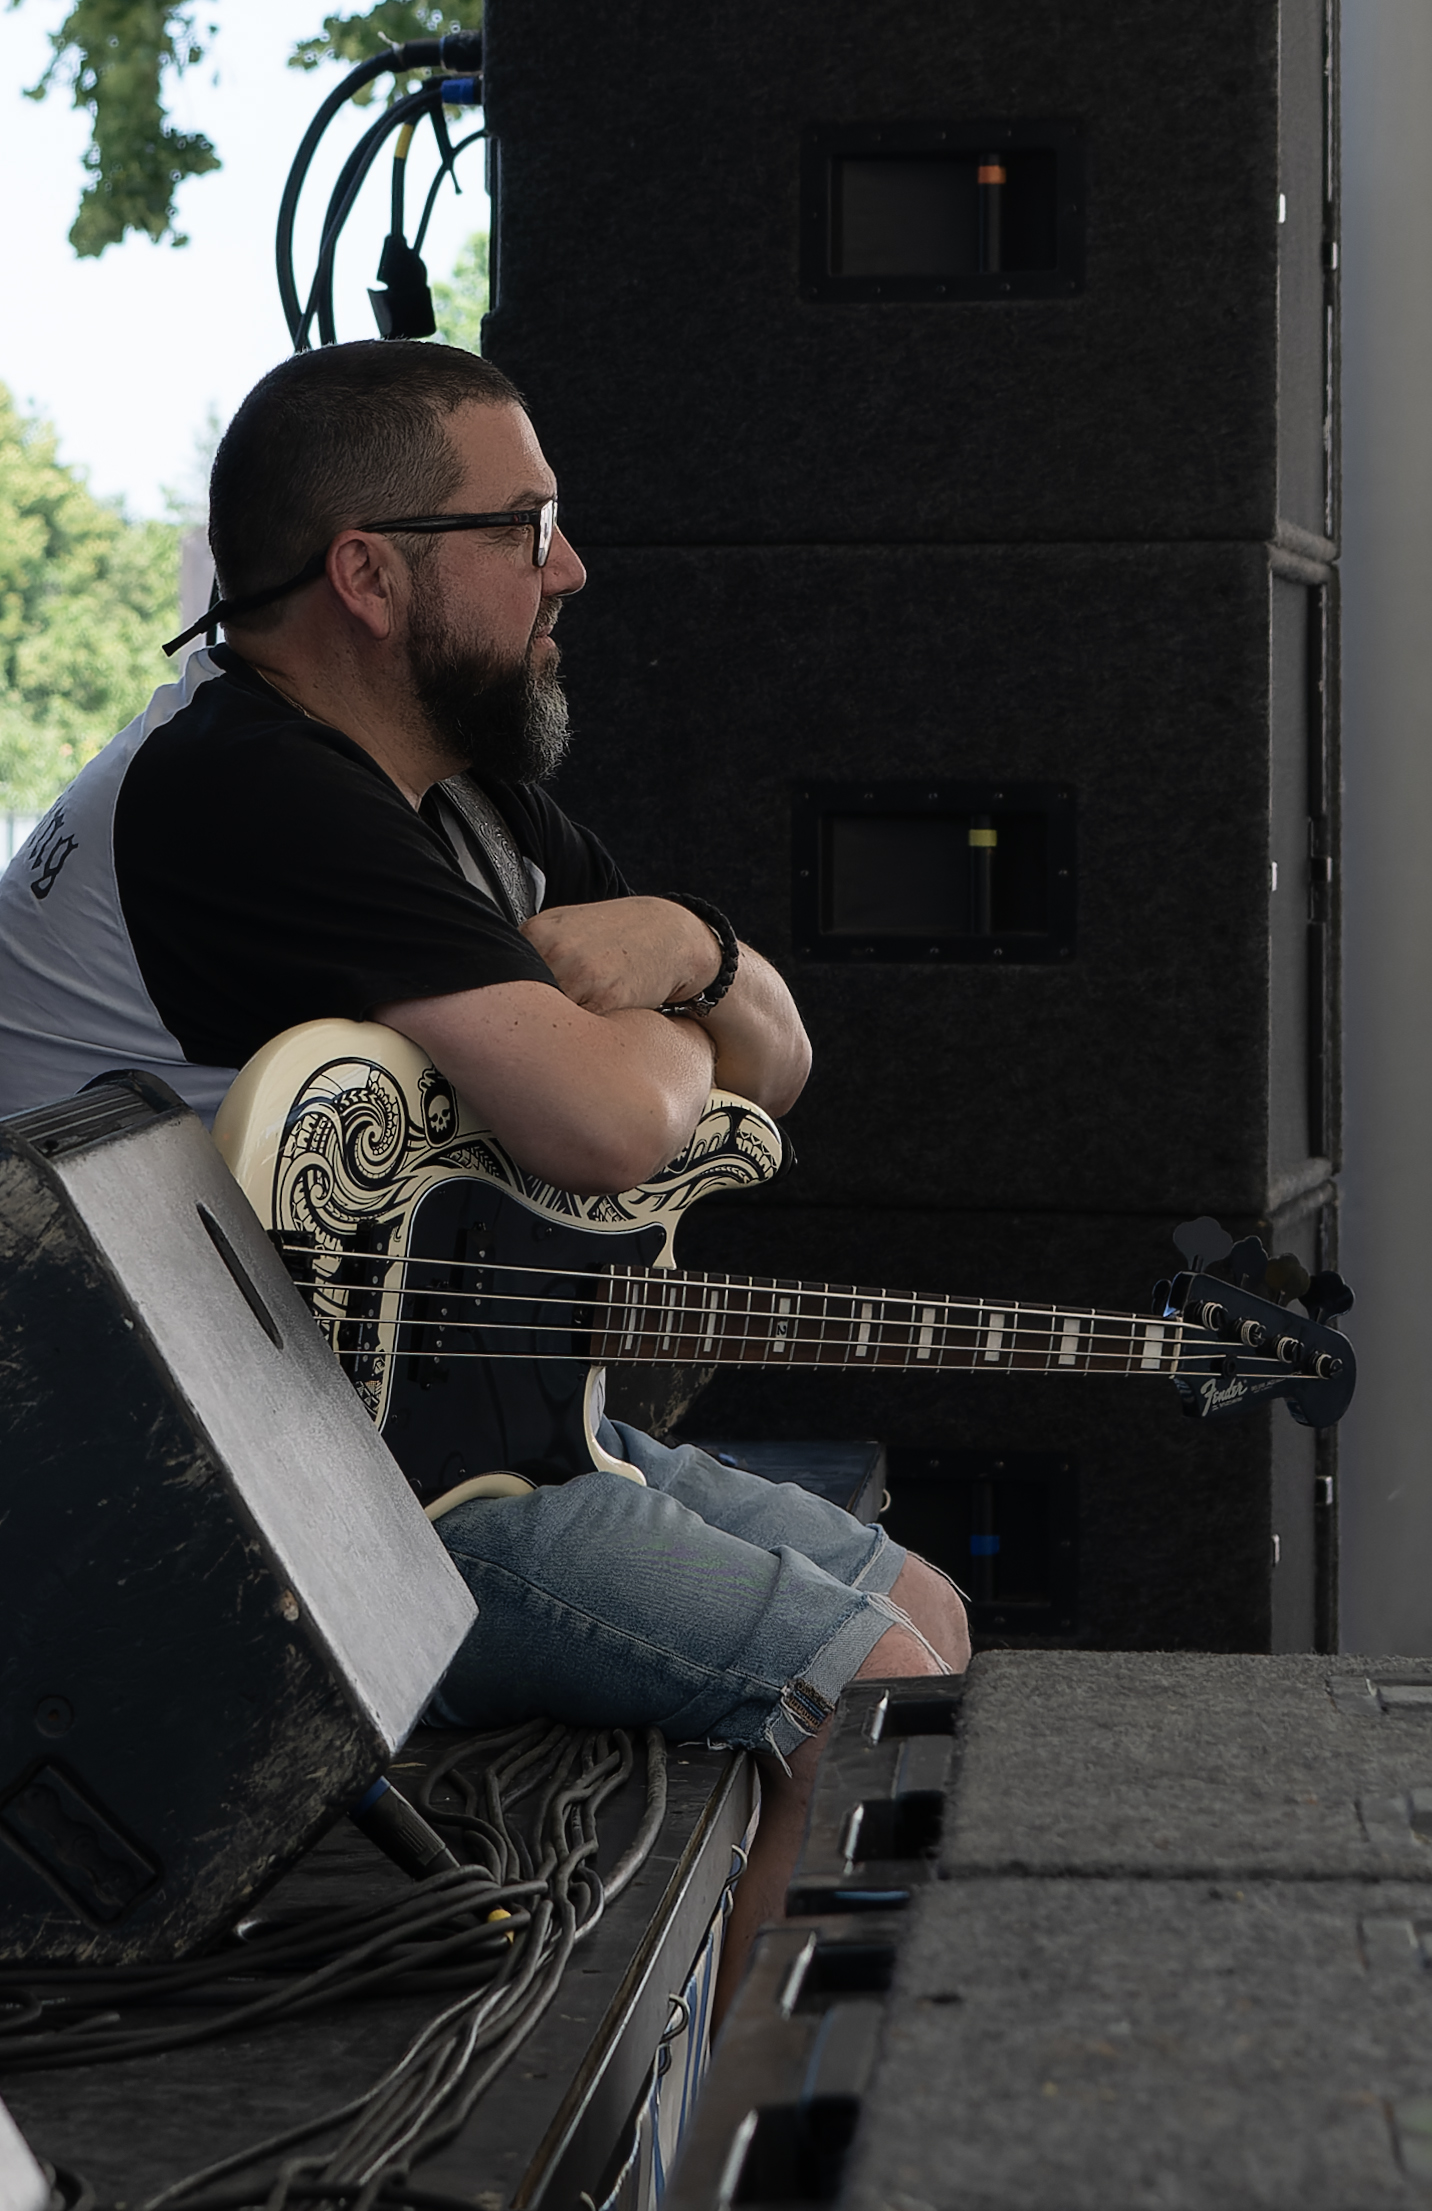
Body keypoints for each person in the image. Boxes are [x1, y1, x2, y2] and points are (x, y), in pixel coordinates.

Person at [0, 341, 968, 2013]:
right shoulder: (242, 786)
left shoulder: (459, 797)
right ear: (368, 575)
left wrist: (689, 946)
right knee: (878, 1690)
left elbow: (778, 1062)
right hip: (256, 1532)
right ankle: (755, 2135)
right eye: (525, 525)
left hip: (427, 1437)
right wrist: (666, 1013)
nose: (568, 567)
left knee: (927, 1607)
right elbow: (609, 1125)